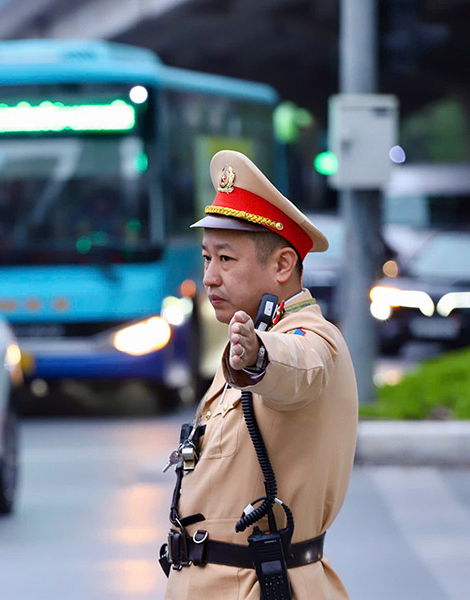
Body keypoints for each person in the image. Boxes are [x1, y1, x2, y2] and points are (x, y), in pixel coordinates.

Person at [162, 150, 358, 599]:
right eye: (207, 258)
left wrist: (257, 356)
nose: (210, 277)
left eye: (226, 260)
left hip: (259, 586)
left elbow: (295, 365)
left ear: (283, 266)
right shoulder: (248, 332)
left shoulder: (311, 338)